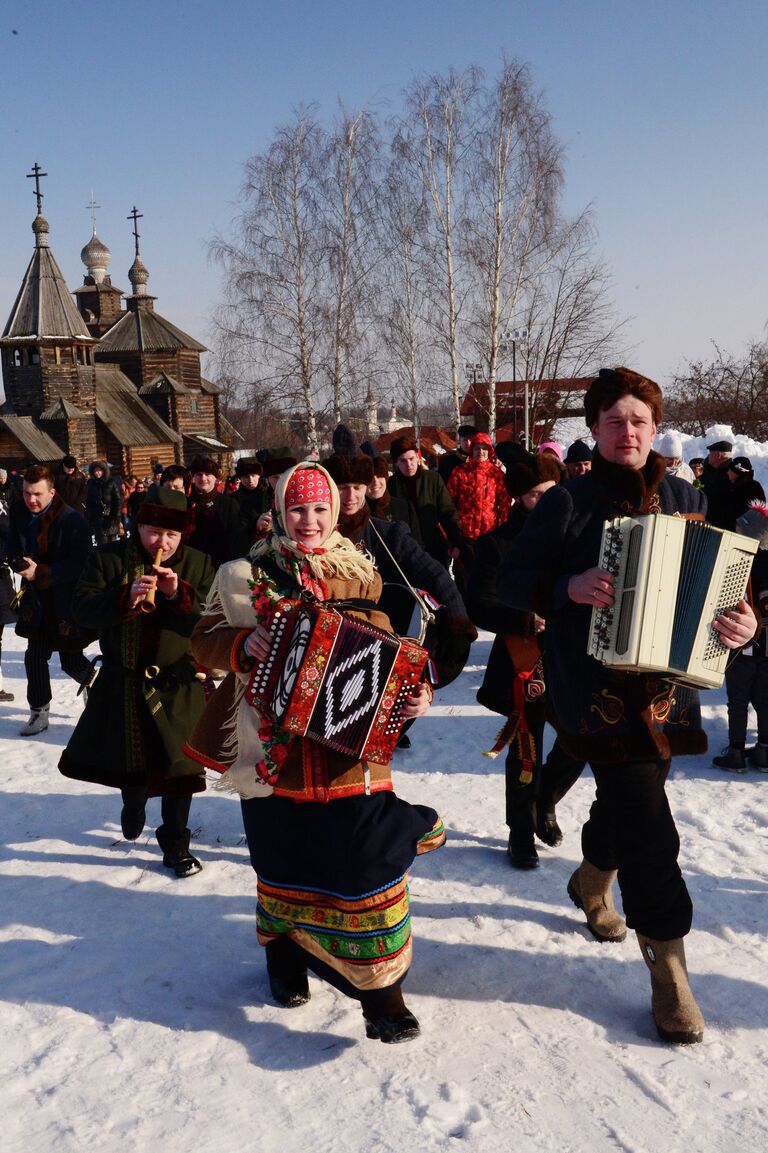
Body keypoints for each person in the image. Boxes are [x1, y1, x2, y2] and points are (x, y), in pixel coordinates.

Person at [497, 366, 756, 1045]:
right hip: (596, 692)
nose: (628, 431)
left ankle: (589, 879)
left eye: (640, 420)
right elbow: (508, 580)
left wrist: (743, 618)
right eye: (615, 420)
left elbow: (727, 576)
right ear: (594, 429)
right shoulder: (567, 502)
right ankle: (669, 971)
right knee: (650, 823)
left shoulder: (683, 493)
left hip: (668, 690)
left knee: (626, 807)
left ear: (654, 427)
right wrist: (566, 584)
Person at [184, 462, 445, 1043]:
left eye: (320, 510)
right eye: (298, 510)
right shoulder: (245, 573)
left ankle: (383, 997)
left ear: (335, 513)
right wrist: (240, 643)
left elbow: (390, 648)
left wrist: (413, 692)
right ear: (279, 511)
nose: (309, 521)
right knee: (282, 859)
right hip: (272, 748)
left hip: (349, 749)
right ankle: (284, 956)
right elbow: (201, 641)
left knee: (364, 862)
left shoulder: (360, 570)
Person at [59, 488, 214, 877]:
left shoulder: (198, 564)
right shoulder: (109, 558)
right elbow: (81, 610)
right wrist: (124, 597)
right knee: (134, 761)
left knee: (180, 769)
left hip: (177, 684)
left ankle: (176, 843)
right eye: (154, 531)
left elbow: (212, 623)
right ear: (139, 525)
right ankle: (134, 800)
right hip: (123, 682)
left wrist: (178, 594)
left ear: (183, 537)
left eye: (171, 535)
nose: (161, 542)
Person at [467, 451, 561, 868]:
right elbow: (480, 604)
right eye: (534, 496)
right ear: (519, 499)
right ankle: (520, 832)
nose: (543, 502)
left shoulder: (579, 537)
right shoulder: (497, 544)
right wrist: (524, 618)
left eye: (550, 493)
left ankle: (546, 800)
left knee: (582, 742)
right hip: (522, 657)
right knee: (527, 748)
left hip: (572, 657)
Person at [7, 465, 93, 735]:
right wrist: (17, 563)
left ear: (52, 492)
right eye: (26, 493)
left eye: (37, 494)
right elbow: (11, 544)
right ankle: (39, 713)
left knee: (71, 660)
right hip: (36, 602)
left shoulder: (72, 520)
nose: (31, 499)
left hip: (65, 600)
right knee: (34, 657)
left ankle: (99, 687)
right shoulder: (19, 510)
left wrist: (41, 572)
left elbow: (81, 565)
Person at [712, 501, 768, 773]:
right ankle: (764, 752)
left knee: (737, 700)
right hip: (767, 651)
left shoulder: (741, 566)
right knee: (765, 700)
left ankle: (735, 751)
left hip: (742, 647)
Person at [388, 435, 461, 569]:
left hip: (435, 546)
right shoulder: (391, 485)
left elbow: (448, 511)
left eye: (411, 459)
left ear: (417, 457)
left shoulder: (433, 479)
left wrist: (455, 541)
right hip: (407, 549)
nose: (409, 464)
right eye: (403, 461)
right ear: (396, 463)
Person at [447, 432, 510, 572]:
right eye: (477, 448)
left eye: (484, 448)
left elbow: (505, 504)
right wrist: (453, 533)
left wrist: (504, 532)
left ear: (489, 451)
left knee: (487, 574)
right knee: (465, 576)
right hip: (465, 534)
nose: (480, 452)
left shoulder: (497, 474)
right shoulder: (459, 472)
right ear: (471, 450)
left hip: (489, 533)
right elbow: (449, 503)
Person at [186, 455, 246, 569]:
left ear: (215, 478)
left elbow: (236, 539)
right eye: (199, 474)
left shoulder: (229, 504)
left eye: (208, 474)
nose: (203, 478)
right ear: (193, 478)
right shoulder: (186, 503)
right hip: (194, 564)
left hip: (223, 564)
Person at [232, 457, 268, 545]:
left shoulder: (268, 497)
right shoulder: (232, 500)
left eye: (253, 475)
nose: (250, 480)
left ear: (259, 475)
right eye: (246, 476)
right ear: (240, 478)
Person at [723, 456, 765, 530]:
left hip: (742, 535)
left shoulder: (753, 488)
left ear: (737, 472)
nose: (727, 472)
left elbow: (755, 516)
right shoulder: (732, 486)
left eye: (730, 470)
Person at [85, 460, 122, 545]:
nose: (97, 473)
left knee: (112, 545)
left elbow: (117, 500)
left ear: (103, 471)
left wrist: (116, 517)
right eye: (95, 471)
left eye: (99, 471)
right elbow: (89, 501)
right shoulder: (91, 483)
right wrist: (90, 515)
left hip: (111, 518)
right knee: (101, 544)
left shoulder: (111, 482)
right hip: (97, 518)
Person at [701, 438, 733, 529]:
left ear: (718, 455)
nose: (708, 456)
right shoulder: (711, 470)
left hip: (718, 526)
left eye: (710, 453)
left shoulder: (728, 475)